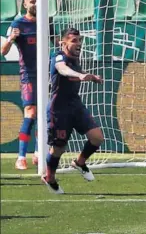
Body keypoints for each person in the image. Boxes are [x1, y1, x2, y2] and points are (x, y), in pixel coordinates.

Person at [42, 28, 104, 194]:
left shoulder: (75, 59)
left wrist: (90, 76)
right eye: (74, 41)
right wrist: (81, 75)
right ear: (63, 43)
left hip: (75, 105)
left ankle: (80, 162)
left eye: (80, 40)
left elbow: (74, 73)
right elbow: (62, 69)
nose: (79, 44)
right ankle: (49, 178)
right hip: (59, 109)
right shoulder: (58, 56)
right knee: (58, 149)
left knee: (97, 138)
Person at [1, 0, 39, 170]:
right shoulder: (18, 24)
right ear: (25, 5)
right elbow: (3, 51)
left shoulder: (47, 23)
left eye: (38, 1)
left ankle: (39, 153)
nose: (36, 4)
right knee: (30, 113)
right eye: (32, 1)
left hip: (46, 74)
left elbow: (58, 42)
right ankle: (21, 156)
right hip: (29, 74)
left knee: (46, 116)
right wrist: (11, 39)